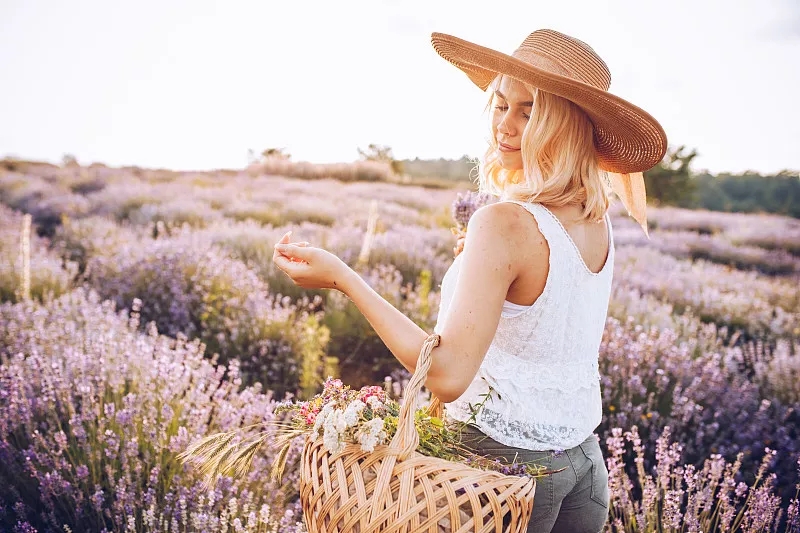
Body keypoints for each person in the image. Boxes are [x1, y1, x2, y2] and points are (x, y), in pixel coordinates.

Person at [273, 29, 666, 533]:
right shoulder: (595, 217)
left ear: (565, 127)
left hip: (499, 472)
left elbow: (447, 376)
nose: (505, 125)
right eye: (501, 104)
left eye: (529, 112)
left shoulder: (504, 224)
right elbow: (546, 316)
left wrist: (344, 279)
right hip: (585, 468)